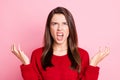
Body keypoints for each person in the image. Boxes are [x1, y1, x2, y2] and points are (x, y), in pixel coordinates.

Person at [11, 7, 110, 80]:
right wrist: (26, 65)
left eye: (64, 23)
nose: (59, 28)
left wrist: (93, 65)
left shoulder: (82, 55)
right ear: (49, 28)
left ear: (70, 28)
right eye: (54, 24)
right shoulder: (37, 55)